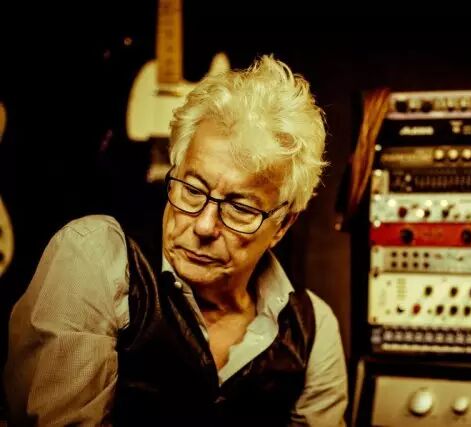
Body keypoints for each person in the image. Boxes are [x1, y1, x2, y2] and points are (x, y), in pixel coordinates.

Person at [3, 54, 348, 426]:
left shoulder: (314, 330)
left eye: (240, 208)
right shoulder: (94, 258)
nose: (204, 226)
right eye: (192, 190)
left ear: (282, 225)